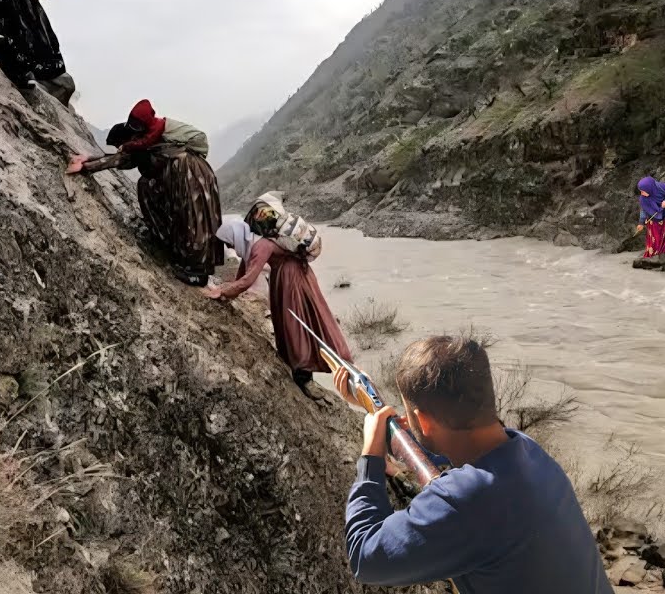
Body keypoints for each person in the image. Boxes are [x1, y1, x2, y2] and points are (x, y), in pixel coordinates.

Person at [337, 335, 613, 593]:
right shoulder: (527, 449)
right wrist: (379, 417)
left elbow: (365, 558)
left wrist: (371, 457)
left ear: (424, 422)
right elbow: (454, 446)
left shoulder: (465, 500)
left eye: (410, 416)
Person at [65, 101, 223, 286]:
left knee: (194, 218)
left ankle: (197, 271)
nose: (119, 149)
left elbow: (117, 160)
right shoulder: (147, 142)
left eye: (119, 145)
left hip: (190, 175)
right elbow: (115, 158)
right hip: (191, 175)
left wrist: (85, 167)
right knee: (189, 214)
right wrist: (88, 160)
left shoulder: (142, 145)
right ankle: (185, 258)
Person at [202, 204, 353, 396]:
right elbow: (244, 271)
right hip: (298, 275)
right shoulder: (259, 241)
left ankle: (304, 378)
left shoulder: (261, 246)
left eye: (229, 242)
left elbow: (248, 279)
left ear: (235, 236)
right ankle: (320, 369)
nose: (230, 247)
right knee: (308, 320)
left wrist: (222, 292)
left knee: (296, 326)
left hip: (290, 280)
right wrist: (227, 289)